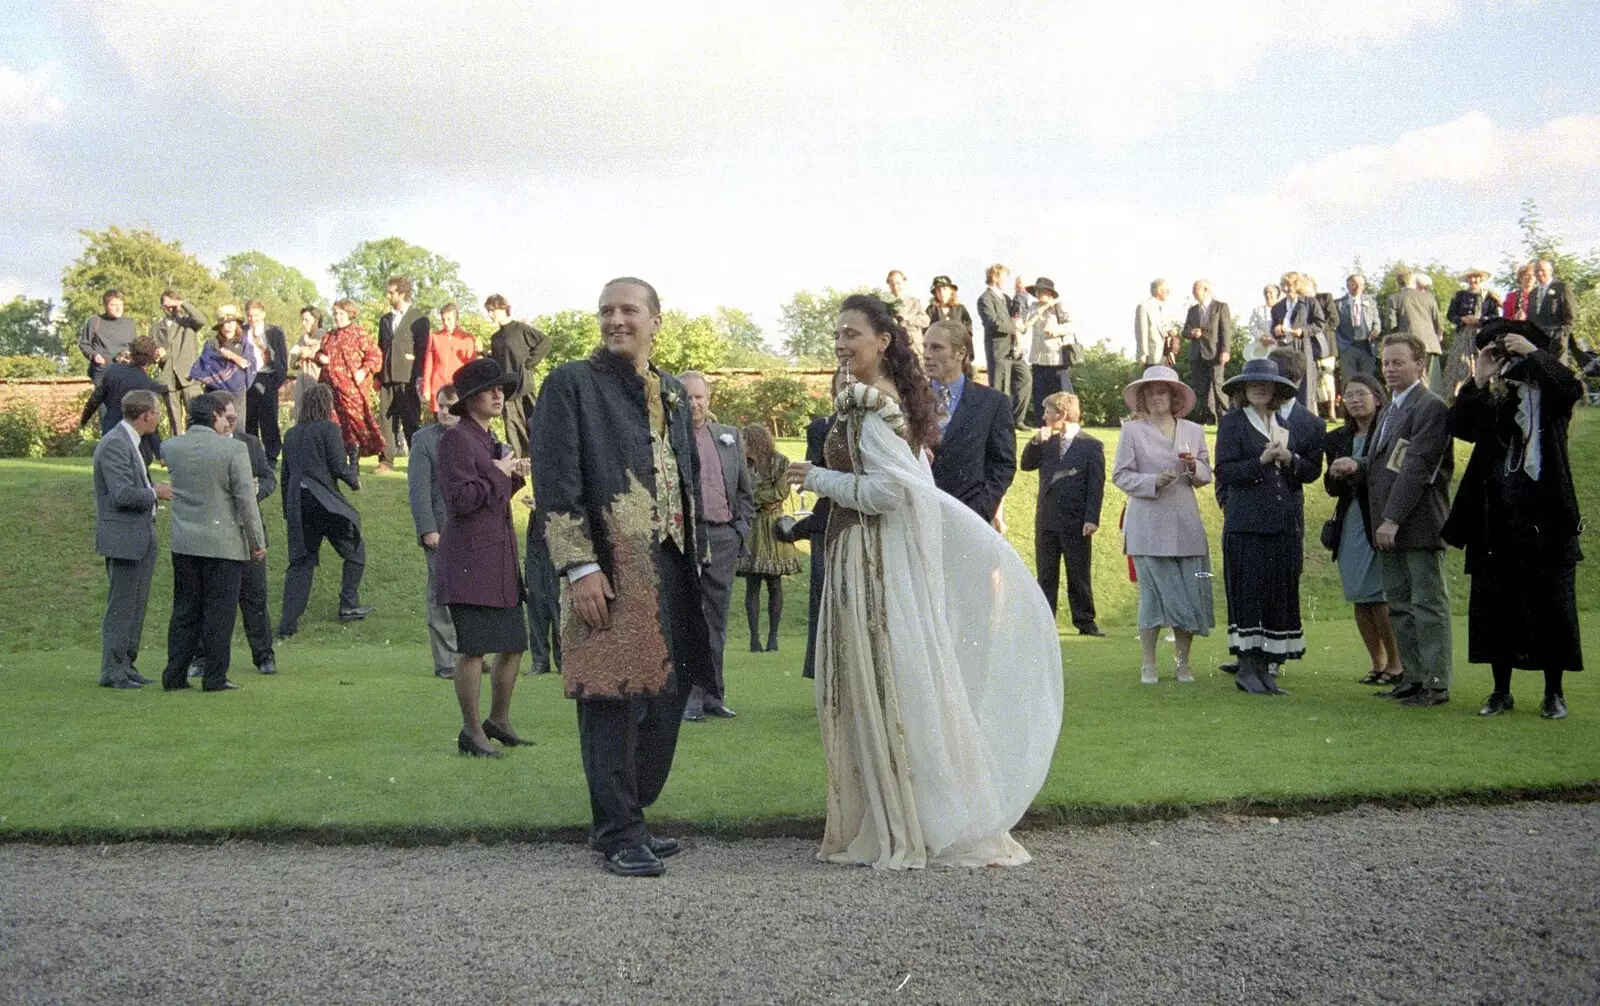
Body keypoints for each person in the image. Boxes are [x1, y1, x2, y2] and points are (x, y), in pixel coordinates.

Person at [786, 292, 1062, 869]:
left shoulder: (871, 404)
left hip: (870, 559)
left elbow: (890, 493)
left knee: (884, 682)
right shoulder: (890, 402)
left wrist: (816, 477)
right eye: (837, 335)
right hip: (864, 553)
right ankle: (902, 810)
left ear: (883, 341)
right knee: (891, 682)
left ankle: (905, 820)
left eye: (851, 334)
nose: (840, 344)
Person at [530, 277, 714, 878]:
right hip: (607, 564)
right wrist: (578, 565)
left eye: (628, 310)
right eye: (606, 311)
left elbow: (683, 476)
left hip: (673, 560)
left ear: (656, 320)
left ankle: (628, 814)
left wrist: (698, 553)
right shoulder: (569, 385)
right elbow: (556, 483)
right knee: (609, 696)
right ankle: (618, 830)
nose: (616, 320)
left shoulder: (672, 392)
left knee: (666, 698)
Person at [1444, 318, 1584, 720]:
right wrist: (1480, 377)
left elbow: (1571, 386)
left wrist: (1534, 352)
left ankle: (1553, 693)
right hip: (1495, 517)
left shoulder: (1550, 399)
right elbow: (1461, 426)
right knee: (1494, 604)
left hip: (1547, 518)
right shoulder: (1496, 397)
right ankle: (1500, 691)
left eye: (1510, 350)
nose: (1508, 361)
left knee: (1553, 605)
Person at [1330, 333, 1455, 707]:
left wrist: (1392, 519)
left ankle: (1435, 684)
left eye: (1398, 362)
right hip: (1389, 526)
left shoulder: (1430, 407)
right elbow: (1390, 462)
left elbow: (1416, 468)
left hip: (1415, 525)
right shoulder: (1391, 409)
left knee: (1427, 605)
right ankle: (1412, 679)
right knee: (1399, 605)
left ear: (1421, 364)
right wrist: (1359, 463)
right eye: (1386, 363)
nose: (1390, 369)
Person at [435, 357, 532, 759]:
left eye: (502, 390)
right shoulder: (457, 439)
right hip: (470, 562)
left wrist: (512, 474)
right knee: (473, 649)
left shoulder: (488, 439)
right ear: (470, 398)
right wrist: (497, 471)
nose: (499, 395)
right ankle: (472, 732)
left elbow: (489, 496)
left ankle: (499, 720)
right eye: (491, 390)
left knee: (513, 644)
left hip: (498, 559)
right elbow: (460, 500)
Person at [1213, 359, 1318, 695]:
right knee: (1248, 595)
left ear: (1276, 389)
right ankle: (1247, 668)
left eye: (1265, 383)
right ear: (1243, 390)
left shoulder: (1282, 422)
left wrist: (1291, 460)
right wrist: (1260, 462)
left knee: (1275, 595)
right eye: (1252, 384)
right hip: (1246, 525)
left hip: (1281, 523)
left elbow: (1309, 471)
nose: (1259, 388)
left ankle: (1265, 670)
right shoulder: (1232, 424)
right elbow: (1225, 472)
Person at [158, 393, 266, 692]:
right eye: (224, 417)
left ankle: (175, 674)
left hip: (185, 542)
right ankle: (215, 676)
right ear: (215, 415)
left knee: (184, 609)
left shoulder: (172, 447)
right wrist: (256, 541)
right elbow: (246, 500)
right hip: (224, 543)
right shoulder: (233, 450)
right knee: (220, 612)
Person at [1113, 365, 1214, 683]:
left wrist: (1192, 467)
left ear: (1174, 398)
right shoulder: (1132, 432)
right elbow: (1121, 475)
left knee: (1187, 594)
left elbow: (1206, 474)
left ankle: (1183, 663)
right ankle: (1148, 664)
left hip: (1185, 523)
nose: (1157, 398)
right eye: (1151, 393)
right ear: (1143, 399)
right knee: (1153, 598)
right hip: (1147, 526)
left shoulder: (1193, 431)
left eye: (1163, 392)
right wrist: (1153, 480)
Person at [677, 372, 753, 721]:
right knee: (689, 620)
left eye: (699, 397)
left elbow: (745, 494)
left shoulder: (729, 437)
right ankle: (690, 697)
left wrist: (739, 532)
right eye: (687, 398)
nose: (694, 404)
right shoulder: (669, 439)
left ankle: (714, 694)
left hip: (723, 537)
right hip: (686, 539)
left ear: (709, 399)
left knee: (717, 621)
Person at [185, 391, 277, 680]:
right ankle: (202, 657)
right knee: (208, 598)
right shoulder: (204, 446)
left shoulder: (249, 444)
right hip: (216, 530)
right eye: (227, 417)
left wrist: (255, 490)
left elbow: (269, 478)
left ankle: (264, 655)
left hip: (247, 530)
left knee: (255, 596)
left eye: (235, 416)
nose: (232, 421)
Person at [1324, 373, 1402, 686]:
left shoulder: (1389, 432)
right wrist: (1337, 473)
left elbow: (1389, 475)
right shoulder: (1337, 438)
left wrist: (1356, 470)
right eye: (1350, 396)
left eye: (1362, 394)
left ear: (1377, 397)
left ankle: (1396, 664)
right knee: (1359, 595)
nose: (1355, 401)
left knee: (1378, 596)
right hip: (1350, 522)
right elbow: (1331, 488)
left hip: (1378, 519)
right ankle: (1376, 661)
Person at [92, 389, 172, 689]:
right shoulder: (115, 443)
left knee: (136, 606)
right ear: (146, 415)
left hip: (139, 534)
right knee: (122, 606)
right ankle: (112, 669)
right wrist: (155, 492)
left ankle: (126, 665)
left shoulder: (130, 442)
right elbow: (122, 494)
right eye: (158, 413)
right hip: (123, 536)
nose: (159, 419)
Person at [277, 383, 372, 636]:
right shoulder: (329, 429)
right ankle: (349, 605)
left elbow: (285, 477)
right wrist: (354, 473)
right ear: (326, 406)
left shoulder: (292, 435)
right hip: (324, 504)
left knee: (301, 563)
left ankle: (287, 625)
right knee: (355, 551)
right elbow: (339, 468)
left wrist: (288, 512)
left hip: (299, 503)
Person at [1020, 391, 1104, 636]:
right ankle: (1045, 623)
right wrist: (1035, 441)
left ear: (1062, 413)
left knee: (1078, 573)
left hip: (1076, 520)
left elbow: (1095, 485)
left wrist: (1091, 518)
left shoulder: (1091, 445)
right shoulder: (1046, 442)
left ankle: (1085, 621)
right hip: (1047, 518)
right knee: (1046, 574)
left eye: (1047, 411)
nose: (1044, 416)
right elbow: (1026, 465)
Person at [924, 320, 1016, 525]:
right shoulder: (909, 399)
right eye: (925, 346)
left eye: (936, 347)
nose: (927, 354)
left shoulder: (992, 403)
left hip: (969, 518)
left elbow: (1003, 464)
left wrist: (981, 509)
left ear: (960, 353)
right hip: (916, 517)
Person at [408, 385, 463, 680]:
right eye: (440, 405)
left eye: (449, 405)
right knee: (441, 596)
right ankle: (446, 661)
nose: (443, 411)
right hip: (439, 530)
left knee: (469, 594)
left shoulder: (474, 436)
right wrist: (427, 528)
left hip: (470, 531)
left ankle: (469, 655)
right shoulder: (424, 440)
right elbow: (418, 490)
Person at [736, 423, 800, 654]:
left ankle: (773, 637)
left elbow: (780, 492)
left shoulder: (780, 462)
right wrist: (759, 498)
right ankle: (754, 639)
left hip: (772, 526)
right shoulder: (743, 464)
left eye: (746, 441)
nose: (742, 445)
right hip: (753, 527)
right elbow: (738, 491)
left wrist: (753, 497)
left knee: (775, 583)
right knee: (752, 584)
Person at [316, 298, 388, 470]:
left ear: (350, 314)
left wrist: (363, 371)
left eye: (341, 313)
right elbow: (319, 353)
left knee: (355, 424)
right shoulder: (329, 336)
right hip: (330, 389)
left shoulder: (359, 333)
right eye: (335, 313)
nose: (337, 317)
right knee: (333, 425)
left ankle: (354, 463)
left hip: (352, 390)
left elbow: (375, 356)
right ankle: (336, 463)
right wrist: (320, 357)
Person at [79, 336, 166, 464]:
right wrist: (159, 453)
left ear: (132, 352)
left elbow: (95, 399)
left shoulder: (112, 371)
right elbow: (150, 422)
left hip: (111, 435)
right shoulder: (148, 384)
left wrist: (83, 419)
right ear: (153, 355)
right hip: (136, 445)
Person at [486, 293, 551, 457]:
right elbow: (498, 361)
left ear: (502, 308)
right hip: (506, 388)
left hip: (524, 385)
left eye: (492, 310)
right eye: (488, 311)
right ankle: (519, 461)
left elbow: (545, 341)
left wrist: (530, 363)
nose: (490, 314)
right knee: (511, 425)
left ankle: (542, 456)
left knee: (535, 423)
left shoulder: (520, 329)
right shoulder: (495, 338)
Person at [376, 276, 429, 458]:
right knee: (386, 419)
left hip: (408, 377)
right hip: (386, 377)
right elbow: (380, 348)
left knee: (411, 419)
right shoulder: (384, 320)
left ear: (402, 294)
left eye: (391, 293)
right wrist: (378, 376)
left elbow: (423, 350)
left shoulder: (419, 318)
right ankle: (386, 460)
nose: (388, 296)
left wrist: (420, 376)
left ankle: (418, 457)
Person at [189, 305, 258, 432]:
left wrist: (230, 356)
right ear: (220, 326)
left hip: (237, 394)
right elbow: (206, 367)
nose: (229, 325)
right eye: (226, 323)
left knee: (236, 428)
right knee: (213, 426)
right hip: (214, 392)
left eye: (232, 322)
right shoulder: (211, 343)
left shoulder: (244, 344)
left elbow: (247, 365)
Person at [1021, 276, 1077, 424]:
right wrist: (1042, 308)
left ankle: (1068, 422)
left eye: (1042, 291)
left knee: (1063, 395)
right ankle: (1043, 425)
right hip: (1038, 359)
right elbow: (1025, 322)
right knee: (1040, 396)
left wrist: (1056, 330)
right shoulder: (1033, 308)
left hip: (1056, 359)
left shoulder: (1060, 307)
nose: (1038, 294)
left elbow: (1072, 325)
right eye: (1037, 291)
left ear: (1049, 292)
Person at [978, 263, 1029, 427]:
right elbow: (993, 323)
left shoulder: (1006, 298)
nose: (1006, 281)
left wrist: (1021, 292)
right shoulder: (985, 299)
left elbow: (1018, 314)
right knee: (999, 388)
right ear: (994, 277)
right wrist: (1015, 326)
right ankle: (998, 423)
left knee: (1025, 379)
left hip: (1013, 349)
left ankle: (1016, 419)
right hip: (998, 350)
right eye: (1004, 277)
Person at [150, 291, 207, 433]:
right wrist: (157, 355)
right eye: (166, 305)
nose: (170, 308)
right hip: (168, 379)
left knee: (196, 417)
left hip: (189, 377)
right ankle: (177, 452)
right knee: (174, 423)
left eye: (173, 305)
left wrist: (182, 304)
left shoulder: (188, 322)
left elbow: (201, 319)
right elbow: (153, 353)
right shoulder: (155, 328)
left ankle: (199, 449)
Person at [1443, 269, 1502, 401]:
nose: (1473, 280)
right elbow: (1450, 314)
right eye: (1470, 278)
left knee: (1483, 360)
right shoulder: (1459, 295)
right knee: (1461, 364)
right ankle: (1457, 395)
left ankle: (1485, 391)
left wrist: (1480, 321)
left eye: (1476, 277)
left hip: (1483, 334)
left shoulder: (1489, 297)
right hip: (1464, 335)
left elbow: (1495, 317)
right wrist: (1462, 319)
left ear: (1481, 279)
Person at [242, 300, 289, 463]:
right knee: (249, 419)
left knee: (269, 419)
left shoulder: (275, 332)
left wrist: (278, 380)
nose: (252, 319)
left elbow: (283, 358)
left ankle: (272, 456)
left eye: (255, 315)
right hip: (248, 378)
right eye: (249, 315)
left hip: (268, 377)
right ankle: (252, 456)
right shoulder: (242, 332)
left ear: (263, 314)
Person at [1386, 269, 1445, 394]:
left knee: (1415, 381)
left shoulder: (1394, 299)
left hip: (1409, 345)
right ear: (1414, 281)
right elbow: (1439, 322)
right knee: (1432, 382)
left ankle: (1422, 409)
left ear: (1398, 283)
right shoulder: (1429, 297)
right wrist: (1439, 335)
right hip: (1431, 344)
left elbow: (1391, 325)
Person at [1271, 275, 1326, 407]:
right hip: (1284, 348)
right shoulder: (1278, 307)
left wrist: (1303, 331)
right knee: (1283, 381)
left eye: (1289, 285)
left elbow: (1319, 324)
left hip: (1303, 346)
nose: (1286, 288)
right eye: (1284, 285)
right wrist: (1276, 330)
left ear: (1297, 285)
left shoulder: (1309, 302)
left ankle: (1306, 416)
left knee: (1305, 384)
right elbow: (1272, 328)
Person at [1182, 279, 1232, 424]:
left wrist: (1225, 350)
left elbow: (1226, 331)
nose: (1193, 292)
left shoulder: (1220, 307)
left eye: (1195, 289)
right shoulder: (1192, 310)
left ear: (1206, 290)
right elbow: (1184, 332)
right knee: (1201, 389)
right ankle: (1207, 419)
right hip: (1197, 354)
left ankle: (1226, 419)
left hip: (1216, 353)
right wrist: (1192, 333)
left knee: (1218, 386)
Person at [422, 302, 478, 419]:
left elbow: (471, 366)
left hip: (457, 387)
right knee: (438, 421)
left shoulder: (466, 338)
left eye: (449, 319)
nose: (446, 323)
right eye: (443, 319)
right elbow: (429, 364)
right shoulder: (435, 336)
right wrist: (426, 387)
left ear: (456, 318)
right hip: (438, 386)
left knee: (457, 420)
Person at [78, 289, 136, 381]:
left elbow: (134, 347)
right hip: (102, 372)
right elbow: (84, 344)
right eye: (113, 305)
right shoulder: (95, 321)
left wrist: (130, 358)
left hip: (125, 372)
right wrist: (94, 355)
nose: (118, 308)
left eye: (120, 304)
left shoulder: (129, 323)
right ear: (105, 306)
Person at [1531, 259, 1579, 366]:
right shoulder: (1533, 293)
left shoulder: (1561, 287)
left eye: (1542, 270)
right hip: (1538, 344)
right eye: (1536, 271)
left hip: (1557, 342)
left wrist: (1562, 334)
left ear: (1551, 271)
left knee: (1558, 375)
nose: (1539, 273)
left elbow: (1571, 315)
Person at [1335, 273, 1382, 383]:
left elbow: (1376, 319)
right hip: (1348, 346)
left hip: (1367, 345)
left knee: (1368, 379)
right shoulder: (1339, 303)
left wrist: (1376, 330)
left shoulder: (1370, 301)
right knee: (1348, 379)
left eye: (1362, 284)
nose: (1359, 287)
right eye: (1355, 284)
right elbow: (1335, 325)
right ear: (1348, 285)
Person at [288, 306, 325, 421]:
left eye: (306, 320)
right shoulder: (302, 339)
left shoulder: (325, 337)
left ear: (316, 321)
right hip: (301, 382)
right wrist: (298, 354)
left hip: (316, 382)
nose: (303, 323)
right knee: (300, 415)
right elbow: (292, 364)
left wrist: (311, 351)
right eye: (302, 320)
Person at [885, 270, 929, 354]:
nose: (895, 287)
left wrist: (907, 319)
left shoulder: (914, 302)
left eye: (898, 283)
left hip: (914, 348)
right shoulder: (884, 304)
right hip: (894, 348)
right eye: (892, 284)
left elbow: (926, 321)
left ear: (904, 283)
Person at [1134, 279, 1175, 367]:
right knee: (1154, 380)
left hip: (1166, 356)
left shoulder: (1164, 307)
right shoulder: (1144, 306)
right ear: (1160, 290)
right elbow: (1142, 331)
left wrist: (1170, 331)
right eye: (1167, 291)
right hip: (1152, 356)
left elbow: (1165, 327)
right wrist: (1143, 354)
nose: (1169, 293)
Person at [1244, 284, 1281, 361]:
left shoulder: (1283, 309)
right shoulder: (1258, 310)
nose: (1267, 295)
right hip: (1262, 348)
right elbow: (1252, 326)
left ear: (1277, 294)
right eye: (1265, 293)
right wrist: (1262, 338)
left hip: (1280, 347)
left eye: (1270, 292)